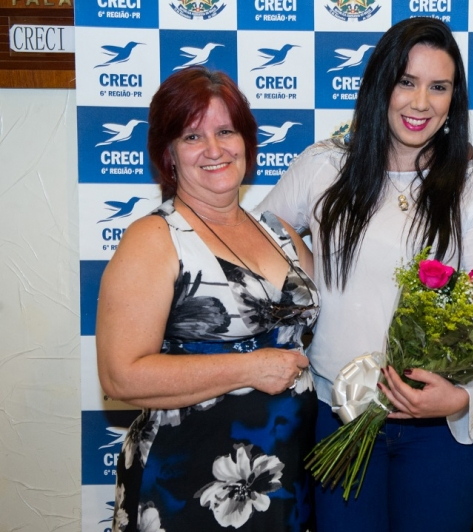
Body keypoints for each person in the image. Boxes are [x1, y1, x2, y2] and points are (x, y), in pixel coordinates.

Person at [256, 17, 473, 532]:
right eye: (406, 82)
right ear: (379, 85)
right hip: (339, 419)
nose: (421, 103)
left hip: (439, 431)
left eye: (439, 87)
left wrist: (462, 397)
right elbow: (253, 247)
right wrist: (307, 270)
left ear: (454, 99)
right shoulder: (323, 167)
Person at [96, 67, 319, 532]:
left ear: (246, 142)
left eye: (226, 131)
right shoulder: (155, 238)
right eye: (193, 136)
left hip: (283, 478)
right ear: (169, 154)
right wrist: (248, 368)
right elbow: (120, 376)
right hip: (187, 483)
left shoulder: (279, 232)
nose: (214, 149)